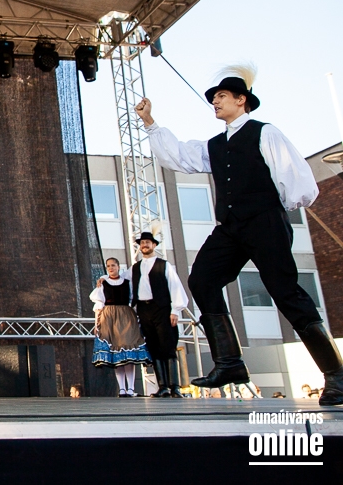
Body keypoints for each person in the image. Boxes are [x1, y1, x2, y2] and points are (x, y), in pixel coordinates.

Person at [136, 67, 343, 406]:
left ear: (241, 100)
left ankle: (336, 374)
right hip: (231, 227)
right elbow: (180, 157)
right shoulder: (216, 145)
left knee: (285, 292)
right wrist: (150, 122)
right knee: (202, 280)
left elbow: (294, 176)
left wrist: (276, 210)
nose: (215, 102)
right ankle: (230, 362)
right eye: (214, 98)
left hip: (265, 222)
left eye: (221, 96)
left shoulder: (265, 132)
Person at [128, 229, 189, 398]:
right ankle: (162, 386)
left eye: (147, 242)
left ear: (154, 245)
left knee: (168, 345)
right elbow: (121, 280)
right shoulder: (135, 268)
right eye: (142, 243)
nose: (144, 245)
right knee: (154, 347)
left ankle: (174, 386)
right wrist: (104, 279)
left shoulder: (164, 265)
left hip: (162, 308)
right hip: (144, 310)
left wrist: (175, 310)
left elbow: (175, 286)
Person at [90, 257, 151, 397]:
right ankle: (122, 388)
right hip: (109, 317)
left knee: (128, 351)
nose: (110, 268)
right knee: (117, 355)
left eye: (113, 265)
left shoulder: (127, 282)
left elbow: (133, 299)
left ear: (118, 266)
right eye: (108, 266)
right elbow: (99, 305)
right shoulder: (103, 284)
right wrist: (96, 324)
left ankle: (131, 388)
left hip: (126, 317)